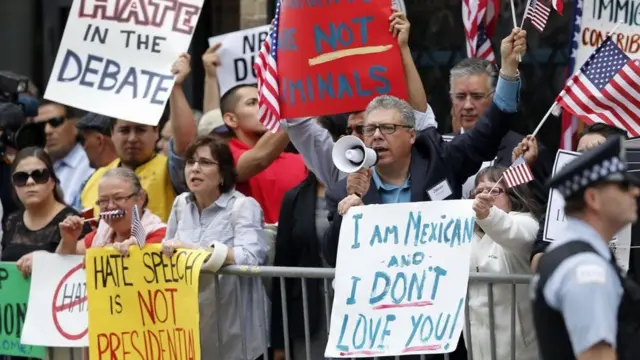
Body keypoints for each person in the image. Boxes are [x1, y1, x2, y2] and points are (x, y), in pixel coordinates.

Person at [532, 136, 640, 359]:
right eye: (623, 185)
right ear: (593, 198)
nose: (635, 192)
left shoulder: (567, 252)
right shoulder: (587, 269)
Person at [161, 135, 269, 360]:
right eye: (190, 162)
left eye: (205, 163)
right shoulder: (181, 204)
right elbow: (167, 249)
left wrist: (194, 251)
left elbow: (251, 257)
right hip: (191, 329)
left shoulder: (243, 206)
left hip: (235, 330)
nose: (195, 169)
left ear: (223, 173)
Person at [529, 123, 629, 271]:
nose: (587, 161)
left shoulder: (632, 200)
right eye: (580, 155)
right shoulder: (559, 206)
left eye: (597, 152)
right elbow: (538, 263)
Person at [467, 162, 540, 360]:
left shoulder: (526, 222)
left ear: (513, 195)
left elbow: (511, 231)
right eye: (479, 191)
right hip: (479, 346)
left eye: (494, 190)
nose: (484, 195)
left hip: (520, 349)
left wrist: (488, 215)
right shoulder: (468, 232)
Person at [1, 147, 91, 279]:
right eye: (21, 177)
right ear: (13, 185)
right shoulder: (11, 221)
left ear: (53, 181)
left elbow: (81, 272)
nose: (30, 182)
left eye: (39, 175)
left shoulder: (73, 221)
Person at [57, 167, 166, 254]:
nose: (110, 207)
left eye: (118, 198)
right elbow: (66, 263)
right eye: (103, 201)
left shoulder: (159, 234)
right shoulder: (102, 233)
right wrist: (68, 240)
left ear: (141, 198)